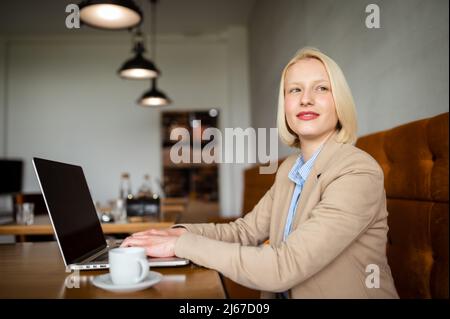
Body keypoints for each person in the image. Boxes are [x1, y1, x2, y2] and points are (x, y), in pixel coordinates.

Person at [121, 47, 399, 298]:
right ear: (285, 105)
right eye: (295, 90)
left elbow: (283, 267)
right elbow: (244, 231)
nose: (306, 100)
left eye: (322, 88)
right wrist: (175, 233)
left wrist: (182, 245)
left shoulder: (357, 172)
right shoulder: (290, 168)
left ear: (340, 101)